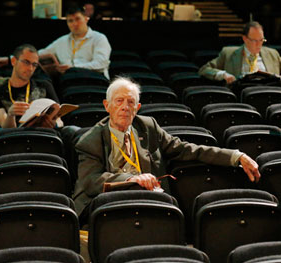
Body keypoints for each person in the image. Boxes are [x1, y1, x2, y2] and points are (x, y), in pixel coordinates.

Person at [73, 76, 261, 220]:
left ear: (137, 107)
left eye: (130, 102)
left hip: (149, 201)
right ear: (107, 106)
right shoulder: (91, 139)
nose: (125, 107)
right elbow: (91, 182)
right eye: (119, 101)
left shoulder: (147, 127)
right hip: (107, 206)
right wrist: (132, 178)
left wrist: (236, 156)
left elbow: (187, 149)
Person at [0, 6, 111, 79]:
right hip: (68, 84)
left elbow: (101, 64)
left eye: (77, 19)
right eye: (70, 21)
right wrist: (10, 59)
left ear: (86, 18)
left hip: (94, 81)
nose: (74, 23)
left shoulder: (99, 38)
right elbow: (38, 54)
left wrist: (73, 67)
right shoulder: (63, 41)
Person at [198, 21, 281, 85]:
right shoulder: (228, 53)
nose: (258, 44)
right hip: (241, 96)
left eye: (261, 40)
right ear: (245, 39)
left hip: (268, 94)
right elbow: (204, 70)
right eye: (254, 40)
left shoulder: (272, 54)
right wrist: (223, 74)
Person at [0, 44, 61, 129]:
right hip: (12, 136)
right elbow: (5, 127)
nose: (30, 68)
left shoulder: (44, 86)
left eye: (34, 65)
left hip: (42, 133)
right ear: (14, 61)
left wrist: (54, 124)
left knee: (71, 129)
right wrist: (11, 115)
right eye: (26, 62)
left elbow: (59, 120)